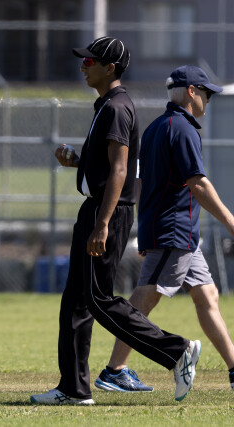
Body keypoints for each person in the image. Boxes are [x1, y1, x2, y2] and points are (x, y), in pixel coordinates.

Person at [30, 37, 200, 405]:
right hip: (96, 209)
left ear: (111, 68)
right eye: (84, 60)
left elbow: (121, 169)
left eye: (90, 61)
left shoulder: (118, 108)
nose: (83, 66)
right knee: (75, 302)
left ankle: (177, 351)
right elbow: (108, 166)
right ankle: (74, 389)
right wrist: (79, 163)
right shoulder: (107, 104)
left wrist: (103, 223)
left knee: (97, 299)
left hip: (107, 212)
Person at [94, 65, 234, 393]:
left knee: (207, 295)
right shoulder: (183, 129)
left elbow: (143, 184)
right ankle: (114, 370)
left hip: (172, 230)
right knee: (146, 297)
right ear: (191, 92)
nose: (208, 99)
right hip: (174, 230)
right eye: (206, 93)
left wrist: (145, 228)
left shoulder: (157, 126)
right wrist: (230, 221)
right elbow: (198, 183)